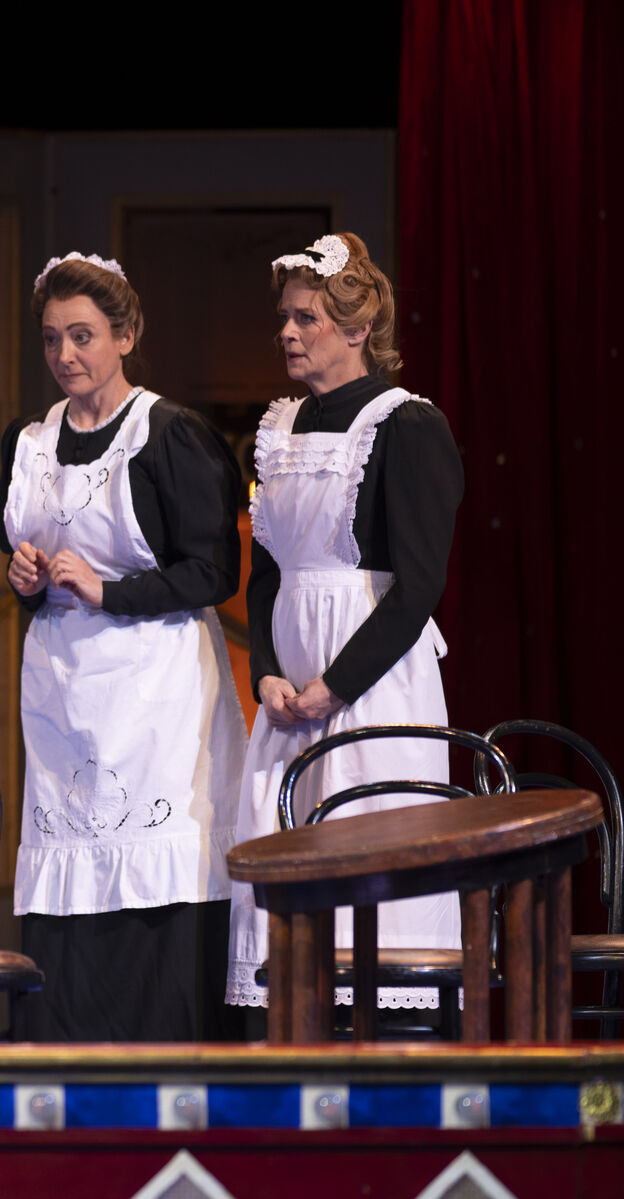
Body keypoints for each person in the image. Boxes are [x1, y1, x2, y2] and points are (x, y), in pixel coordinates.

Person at [0, 252, 246, 1040]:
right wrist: (25, 576)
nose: (65, 356)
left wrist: (112, 590)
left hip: (156, 694)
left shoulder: (169, 435)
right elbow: (20, 571)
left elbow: (214, 570)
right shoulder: (28, 442)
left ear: (126, 335)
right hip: (65, 694)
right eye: (50, 340)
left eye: (83, 336)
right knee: (70, 888)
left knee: (158, 879)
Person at [225, 232, 464, 1019]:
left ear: (358, 328)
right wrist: (267, 672)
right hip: (291, 702)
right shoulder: (279, 426)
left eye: (308, 318)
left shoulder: (406, 425)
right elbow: (265, 573)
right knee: (289, 890)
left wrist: (335, 685)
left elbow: (418, 585)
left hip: (373, 690)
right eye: (285, 319)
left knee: (376, 875)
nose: (288, 333)